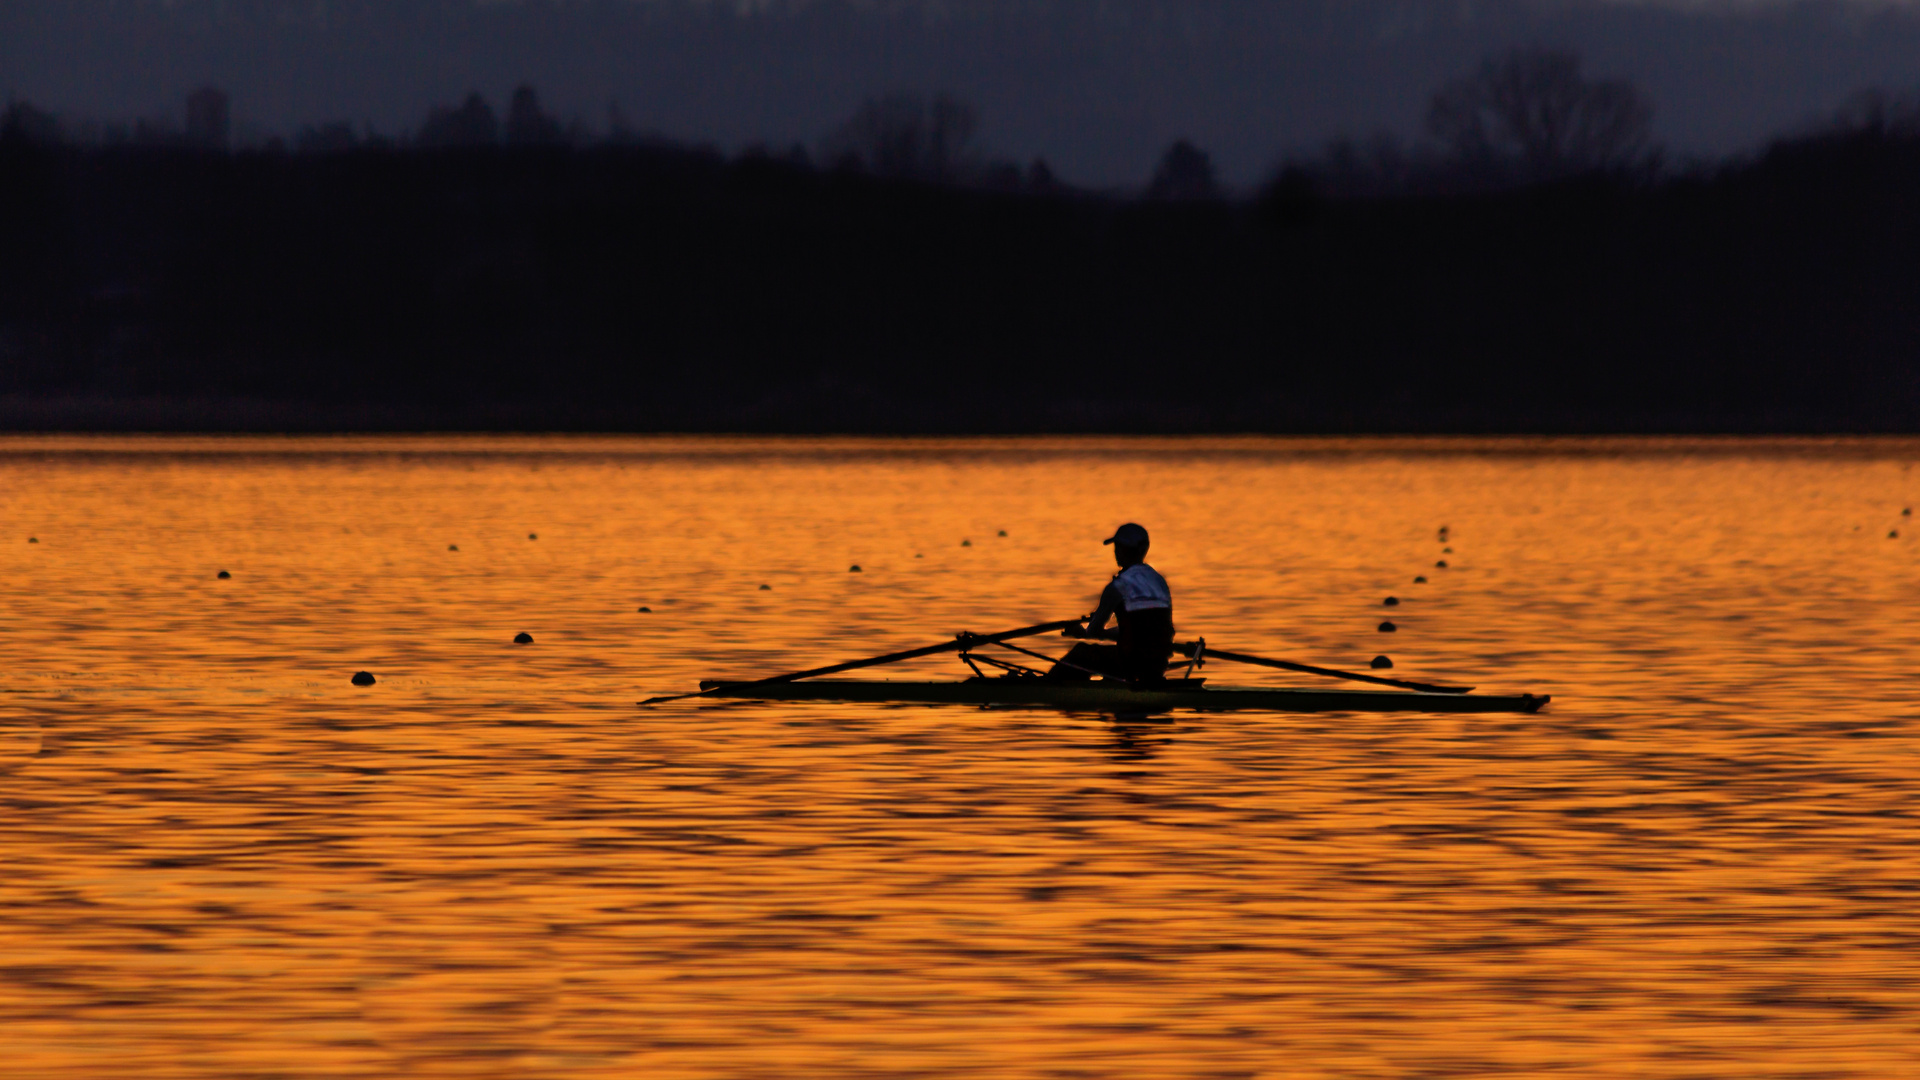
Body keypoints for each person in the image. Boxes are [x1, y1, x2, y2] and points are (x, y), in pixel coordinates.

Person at [1049, 522, 1174, 684]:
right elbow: (1142, 631)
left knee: (1081, 652)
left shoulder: (1117, 586)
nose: (1116, 552)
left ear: (1122, 550)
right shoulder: (1159, 582)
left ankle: (1050, 686)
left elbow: (1093, 631)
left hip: (1130, 662)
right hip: (1157, 664)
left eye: (1117, 547)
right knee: (1114, 657)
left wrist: (1081, 633)